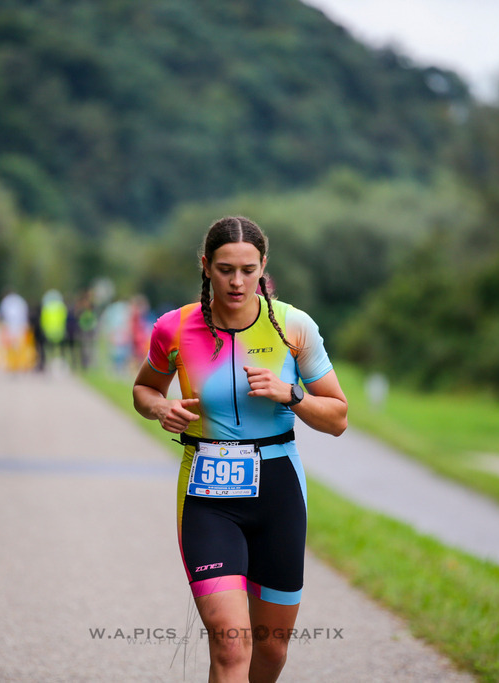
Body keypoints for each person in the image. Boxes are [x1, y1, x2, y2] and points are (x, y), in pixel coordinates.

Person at [132, 216, 348, 682]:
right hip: (207, 496)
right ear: (206, 266)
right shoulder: (175, 328)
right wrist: (159, 408)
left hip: (278, 493)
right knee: (231, 645)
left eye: (248, 270)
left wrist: (291, 394)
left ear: (263, 267)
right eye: (226, 269)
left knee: (270, 654)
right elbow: (143, 390)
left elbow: (338, 418)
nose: (237, 281)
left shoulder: (294, 327)